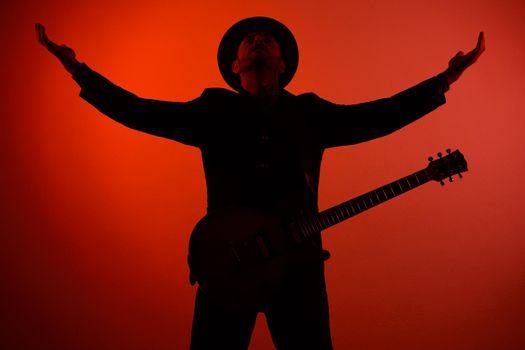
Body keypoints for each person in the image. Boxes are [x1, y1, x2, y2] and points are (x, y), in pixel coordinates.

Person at [36, 17, 485, 349]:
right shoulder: (212, 111)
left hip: (299, 269)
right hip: (227, 265)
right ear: (234, 66)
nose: (257, 41)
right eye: (248, 40)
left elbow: (379, 115)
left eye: (267, 39)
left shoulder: (309, 113)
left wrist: (445, 79)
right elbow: (140, 111)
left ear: (283, 63)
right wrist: (79, 71)